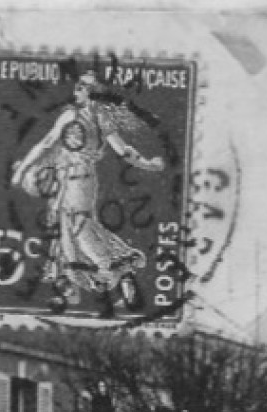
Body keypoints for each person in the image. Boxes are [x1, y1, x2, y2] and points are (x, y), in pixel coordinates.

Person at [10, 72, 165, 311]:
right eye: (78, 86)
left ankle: (116, 268)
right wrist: (24, 170)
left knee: (79, 227)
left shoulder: (100, 116)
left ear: (92, 92)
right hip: (64, 179)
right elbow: (46, 143)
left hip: (82, 178)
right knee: (65, 234)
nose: (77, 90)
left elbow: (122, 150)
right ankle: (74, 290)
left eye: (83, 87)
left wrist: (148, 164)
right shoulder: (67, 116)